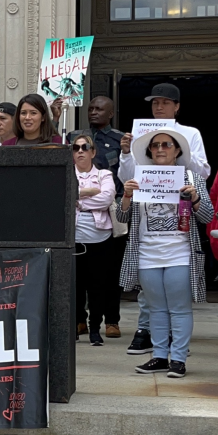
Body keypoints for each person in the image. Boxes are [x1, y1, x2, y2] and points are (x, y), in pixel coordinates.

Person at [118, 83, 211, 355]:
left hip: (178, 245)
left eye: (165, 102)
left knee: (178, 305)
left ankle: (178, 353)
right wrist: (126, 154)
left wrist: (184, 181)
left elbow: (202, 179)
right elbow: (127, 186)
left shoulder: (190, 135)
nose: (159, 106)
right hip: (147, 248)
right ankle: (155, 347)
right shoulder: (139, 140)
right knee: (153, 302)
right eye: (154, 102)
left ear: (177, 106)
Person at [72, 135, 119, 345]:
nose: (80, 151)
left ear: (93, 152)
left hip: (100, 239)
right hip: (72, 240)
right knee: (75, 287)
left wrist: (79, 201)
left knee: (97, 287)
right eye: (76, 147)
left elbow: (107, 197)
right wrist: (90, 192)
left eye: (85, 147)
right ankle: (75, 324)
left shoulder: (104, 174)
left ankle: (95, 329)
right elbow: (62, 195)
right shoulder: (66, 174)